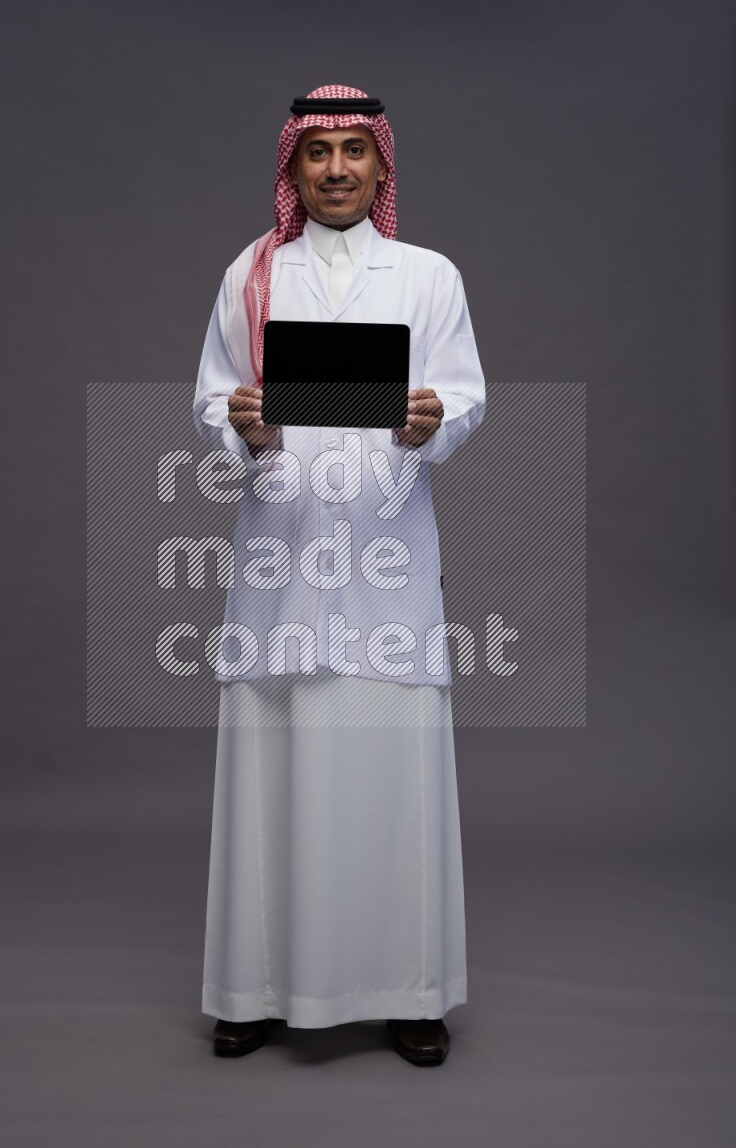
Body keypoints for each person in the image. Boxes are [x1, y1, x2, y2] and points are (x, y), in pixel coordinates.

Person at [192, 84, 486, 1065]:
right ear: (293, 167)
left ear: (380, 165)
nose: (334, 171)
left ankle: (407, 990)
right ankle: (254, 986)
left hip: (385, 558)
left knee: (390, 769)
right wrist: (244, 426)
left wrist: (431, 419)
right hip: (281, 554)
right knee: (271, 764)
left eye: (353, 151)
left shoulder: (427, 275)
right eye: (317, 154)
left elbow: (465, 392)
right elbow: (209, 398)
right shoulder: (250, 275)